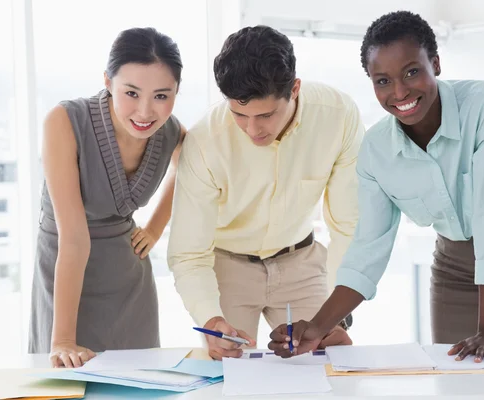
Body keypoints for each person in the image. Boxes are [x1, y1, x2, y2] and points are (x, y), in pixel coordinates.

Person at [269, 11, 484, 362]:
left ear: (435, 63)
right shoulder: (376, 150)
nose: (400, 91)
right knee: (453, 385)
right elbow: (367, 250)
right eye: (383, 81)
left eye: (412, 72)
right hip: (452, 271)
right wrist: (315, 329)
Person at [167, 25, 363, 360]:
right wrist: (210, 318)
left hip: (300, 261)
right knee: (228, 371)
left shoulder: (339, 116)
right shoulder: (205, 141)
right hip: (227, 266)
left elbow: (347, 224)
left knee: (329, 361)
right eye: (239, 115)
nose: (252, 129)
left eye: (265, 115)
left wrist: (338, 311)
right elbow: (188, 252)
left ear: (295, 89)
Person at [29, 27, 186, 368]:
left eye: (162, 96)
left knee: (140, 380)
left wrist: (156, 228)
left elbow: (189, 171)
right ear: (108, 81)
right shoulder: (65, 121)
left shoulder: (173, 131)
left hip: (129, 279)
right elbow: (73, 239)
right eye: (131, 92)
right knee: (65, 379)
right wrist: (63, 340)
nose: (145, 112)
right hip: (66, 273)